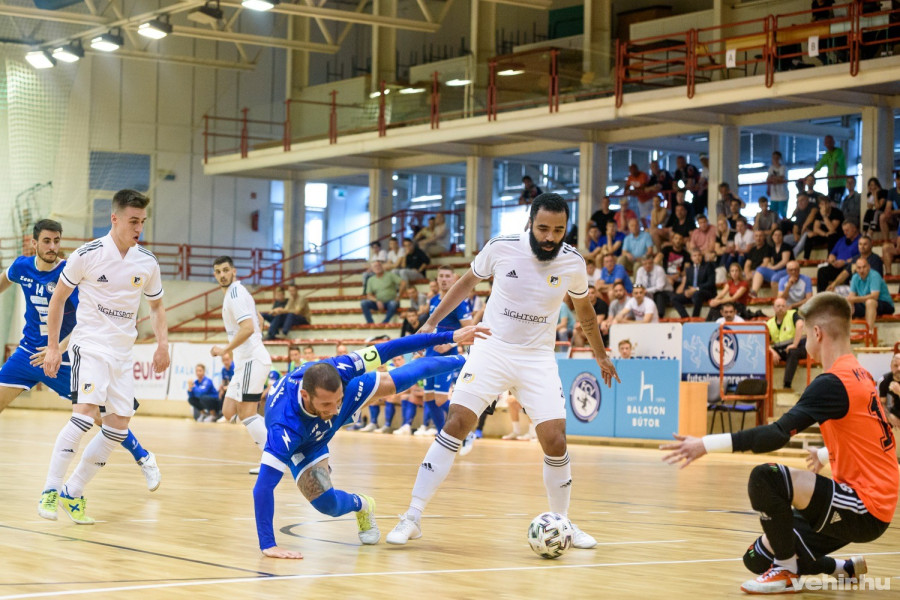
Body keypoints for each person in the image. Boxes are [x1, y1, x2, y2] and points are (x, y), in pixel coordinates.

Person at [386, 193, 619, 547]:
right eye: (543, 228)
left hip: (537, 357)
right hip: (491, 349)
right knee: (456, 422)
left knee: (555, 439)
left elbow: (584, 310)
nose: (550, 237)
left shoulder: (572, 261)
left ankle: (563, 523)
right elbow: (466, 283)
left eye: (558, 230)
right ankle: (412, 516)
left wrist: (600, 355)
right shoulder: (501, 246)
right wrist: (431, 322)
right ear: (530, 223)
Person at [662, 293, 898, 594]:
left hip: (865, 506)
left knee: (766, 478)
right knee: (756, 557)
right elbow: (868, 436)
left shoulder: (833, 382)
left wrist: (705, 444)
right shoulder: (860, 373)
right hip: (870, 501)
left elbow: (775, 434)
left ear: (817, 333)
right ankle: (842, 568)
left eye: (804, 332)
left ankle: (786, 571)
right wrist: (824, 454)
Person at [253, 326, 489, 558]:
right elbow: (263, 487)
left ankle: (468, 359)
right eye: (326, 404)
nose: (334, 411)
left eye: (336, 402)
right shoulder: (283, 429)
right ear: (305, 395)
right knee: (327, 505)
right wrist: (268, 544)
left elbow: (391, 348)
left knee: (405, 377)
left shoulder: (342, 367)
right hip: (306, 443)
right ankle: (363, 505)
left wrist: (450, 336)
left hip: (347, 397)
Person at [1, 218, 160, 507]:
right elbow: (5, 279)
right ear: (33, 243)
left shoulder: (69, 272)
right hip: (27, 354)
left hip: (63, 357)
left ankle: (143, 456)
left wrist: (56, 349)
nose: (53, 246)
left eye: (57, 241)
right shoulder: (21, 267)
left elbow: (84, 320)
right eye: (47, 241)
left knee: (101, 419)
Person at [41, 190, 169, 523]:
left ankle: (73, 491)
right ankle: (50, 489)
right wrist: (54, 346)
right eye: (133, 221)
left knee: (117, 428)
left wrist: (162, 344)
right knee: (84, 416)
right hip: (90, 345)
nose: (139, 228)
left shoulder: (147, 262)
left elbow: (156, 306)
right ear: (114, 219)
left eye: (142, 221)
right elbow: (58, 299)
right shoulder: (87, 254)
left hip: (122, 354)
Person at [210, 255, 273, 474]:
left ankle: (274, 459)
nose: (222, 275)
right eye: (218, 272)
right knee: (228, 411)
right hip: (244, 361)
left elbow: (248, 327)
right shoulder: (237, 292)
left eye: (226, 270)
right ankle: (276, 444)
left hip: (251, 360)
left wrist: (224, 350)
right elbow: (259, 320)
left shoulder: (235, 294)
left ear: (234, 271)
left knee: (247, 413)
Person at [422, 265, 473, 437]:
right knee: (429, 398)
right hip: (430, 354)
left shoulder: (459, 302)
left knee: (440, 399)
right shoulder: (433, 300)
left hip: (446, 356)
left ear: (454, 279)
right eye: (441, 276)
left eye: (447, 276)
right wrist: (420, 347)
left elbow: (470, 329)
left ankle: (466, 432)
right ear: (437, 279)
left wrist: (450, 344)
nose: (444, 279)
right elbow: (431, 327)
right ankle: (441, 435)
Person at [847, 258, 895, 339]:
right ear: (856, 269)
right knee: (845, 303)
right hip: (865, 303)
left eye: (864, 267)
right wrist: (850, 302)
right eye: (859, 268)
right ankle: (847, 333)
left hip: (884, 304)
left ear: (869, 267)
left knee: (870, 302)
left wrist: (854, 299)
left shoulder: (874, 275)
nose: (862, 270)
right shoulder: (855, 277)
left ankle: (869, 332)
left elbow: (874, 296)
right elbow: (851, 297)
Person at [767, 298, 807, 389]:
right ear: (774, 308)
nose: (781, 308)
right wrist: (772, 352)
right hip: (781, 349)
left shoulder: (793, 314)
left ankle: (787, 385)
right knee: (766, 353)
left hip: (799, 346)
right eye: (778, 306)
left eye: (783, 306)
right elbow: (764, 341)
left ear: (786, 307)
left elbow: (800, 325)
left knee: (793, 352)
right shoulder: (769, 323)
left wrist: (795, 344)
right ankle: (765, 385)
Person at [815, 220, 860, 293]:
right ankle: (821, 295)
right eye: (844, 230)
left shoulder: (861, 241)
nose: (845, 232)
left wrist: (845, 262)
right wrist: (832, 258)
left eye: (847, 230)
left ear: (854, 229)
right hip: (836, 266)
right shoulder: (842, 240)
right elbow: (832, 253)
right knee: (822, 271)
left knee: (850, 270)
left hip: (849, 267)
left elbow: (860, 257)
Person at [670, 248, 716, 319]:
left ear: (702, 256)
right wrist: (686, 291)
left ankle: (695, 318)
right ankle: (686, 318)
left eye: (699, 255)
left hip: (706, 292)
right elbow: (687, 285)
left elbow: (711, 283)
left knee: (697, 294)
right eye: (695, 255)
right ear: (691, 258)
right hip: (693, 294)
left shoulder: (708, 266)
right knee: (674, 298)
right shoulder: (689, 269)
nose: (697, 257)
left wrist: (696, 289)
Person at [750, 229, 793, 295]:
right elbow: (769, 261)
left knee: (775, 278)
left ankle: (777, 299)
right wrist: (770, 265)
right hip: (776, 270)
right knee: (759, 269)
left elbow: (784, 261)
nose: (777, 237)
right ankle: (754, 292)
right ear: (772, 237)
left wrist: (773, 267)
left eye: (779, 235)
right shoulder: (772, 248)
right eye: (775, 235)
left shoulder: (786, 246)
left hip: (786, 270)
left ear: (782, 237)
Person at [808, 134, 847, 206]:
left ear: (833, 142)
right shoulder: (827, 154)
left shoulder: (839, 151)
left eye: (830, 142)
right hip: (831, 183)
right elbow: (820, 164)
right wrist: (811, 174)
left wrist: (834, 173)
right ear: (824, 144)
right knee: (830, 203)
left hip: (839, 183)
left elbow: (836, 162)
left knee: (835, 203)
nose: (828, 144)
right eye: (827, 142)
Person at [878, 353, 900, 430]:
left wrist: (899, 392)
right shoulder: (884, 380)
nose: (899, 369)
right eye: (895, 365)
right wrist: (889, 416)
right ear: (891, 367)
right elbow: (882, 403)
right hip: (892, 418)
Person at [767, 151, 789, 218]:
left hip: (783, 196)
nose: (775, 160)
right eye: (773, 158)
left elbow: (781, 179)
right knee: (773, 215)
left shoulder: (783, 168)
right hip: (773, 196)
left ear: (779, 159)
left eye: (777, 158)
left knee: (783, 215)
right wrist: (776, 179)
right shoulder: (771, 168)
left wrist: (774, 179)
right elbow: (768, 179)